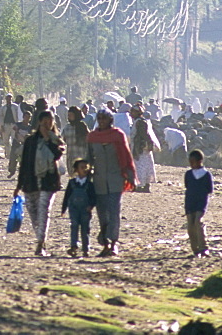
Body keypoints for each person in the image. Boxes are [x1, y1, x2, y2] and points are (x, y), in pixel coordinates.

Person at [14, 109, 65, 257]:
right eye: (45, 122)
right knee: (33, 213)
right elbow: (24, 163)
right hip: (30, 183)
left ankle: (40, 243)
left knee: (44, 211)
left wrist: (48, 139)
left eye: (50, 121)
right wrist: (19, 184)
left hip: (48, 182)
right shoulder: (30, 141)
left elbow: (57, 155)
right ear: (39, 122)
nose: (48, 124)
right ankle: (40, 238)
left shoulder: (56, 140)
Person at [86, 109, 135, 257]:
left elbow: (126, 157)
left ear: (110, 120)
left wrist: (131, 177)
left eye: (104, 118)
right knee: (102, 213)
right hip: (99, 181)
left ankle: (113, 243)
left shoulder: (118, 136)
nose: (101, 121)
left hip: (116, 179)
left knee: (114, 212)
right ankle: (105, 244)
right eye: (99, 118)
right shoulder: (92, 137)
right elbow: (88, 160)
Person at [60, 158, 97, 258]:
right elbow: (67, 196)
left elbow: (94, 197)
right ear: (76, 169)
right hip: (73, 208)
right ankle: (73, 246)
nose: (84, 169)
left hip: (85, 209)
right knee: (74, 226)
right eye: (82, 167)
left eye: (86, 167)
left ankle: (86, 249)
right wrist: (63, 209)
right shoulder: (72, 183)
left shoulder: (90, 184)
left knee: (85, 229)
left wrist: (91, 206)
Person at [185, 149, 213, 257]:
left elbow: (209, 189)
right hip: (190, 202)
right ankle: (195, 249)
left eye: (193, 162)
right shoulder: (188, 174)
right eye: (190, 162)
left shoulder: (206, 174)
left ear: (200, 161)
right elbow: (187, 186)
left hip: (201, 203)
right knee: (191, 226)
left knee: (198, 222)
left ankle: (203, 247)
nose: (191, 164)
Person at [131, 113, 160, 193]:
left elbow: (143, 134)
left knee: (140, 166)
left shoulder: (140, 122)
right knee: (147, 165)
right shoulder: (141, 121)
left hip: (140, 147)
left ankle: (140, 186)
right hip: (144, 148)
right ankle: (146, 185)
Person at [7, 109, 33, 177]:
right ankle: (12, 172)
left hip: (25, 145)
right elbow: (14, 129)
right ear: (23, 117)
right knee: (13, 158)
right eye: (26, 117)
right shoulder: (18, 124)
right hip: (16, 144)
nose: (27, 118)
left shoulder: (30, 127)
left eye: (28, 117)